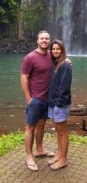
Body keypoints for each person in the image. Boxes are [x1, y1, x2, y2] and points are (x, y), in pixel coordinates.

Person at [21, 30, 54, 171]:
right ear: (37, 41)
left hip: (47, 99)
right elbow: (24, 78)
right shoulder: (29, 58)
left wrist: (67, 60)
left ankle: (40, 150)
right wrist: (28, 98)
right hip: (35, 99)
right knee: (30, 127)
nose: (44, 40)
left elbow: (61, 60)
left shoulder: (51, 55)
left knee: (41, 125)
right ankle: (29, 156)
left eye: (47, 38)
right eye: (42, 38)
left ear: (49, 41)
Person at [47, 39, 72, 171]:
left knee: (62, 131)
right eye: (54, 49)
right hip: (53, 102)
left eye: (58, 49)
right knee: (58, 130)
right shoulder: (55, 62)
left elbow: (65, 87)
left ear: (62, 50)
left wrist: (59, 104)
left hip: (60, 103)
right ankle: (59, 154)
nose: (56, 51)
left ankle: (63, 159)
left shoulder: (65, 65)